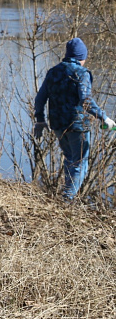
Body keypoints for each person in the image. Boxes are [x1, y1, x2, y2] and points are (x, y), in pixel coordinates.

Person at [33, 37, 114, 200]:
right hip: (78, 125)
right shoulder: (82, 73)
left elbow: (40, 99)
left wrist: (40, 120)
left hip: (57, 124)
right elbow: (85, 100)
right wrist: (104, 117)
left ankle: (66, 196)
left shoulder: (53, 71)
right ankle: (67, 199)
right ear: (81, 57)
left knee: (70, 159)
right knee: (79, 163)